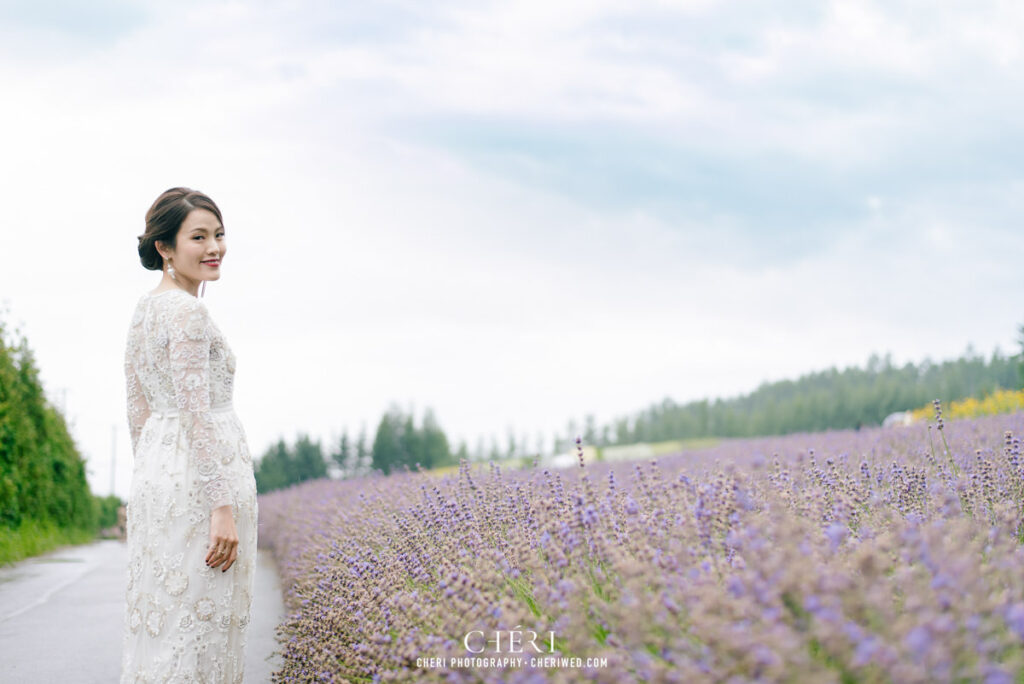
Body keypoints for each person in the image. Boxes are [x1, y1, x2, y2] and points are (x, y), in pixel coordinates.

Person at [121, 187, 258, 683]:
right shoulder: (189, 313)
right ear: (164, 248)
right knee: (202, 630)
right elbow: (196, 414)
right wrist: (220, 505)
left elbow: (139, 408)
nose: (213, 247)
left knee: (165, 628)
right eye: (197, 237)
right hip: (205, 488)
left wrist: (147, 483)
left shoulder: (144, 311)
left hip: (160, 481)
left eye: (218, 235)